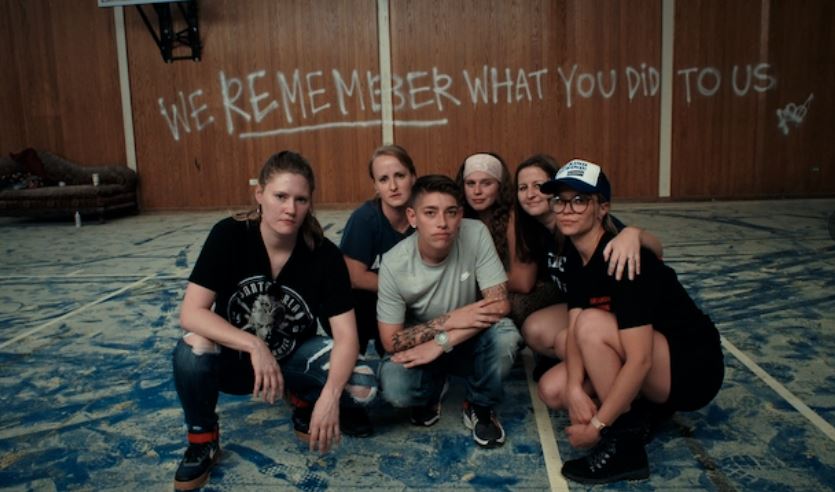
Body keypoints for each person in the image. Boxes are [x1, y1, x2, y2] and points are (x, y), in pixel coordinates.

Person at [171, 151, 377, 490]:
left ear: (310, 204)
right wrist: (254, 344)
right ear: (260, 195)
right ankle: (202, 439)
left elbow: (347, 338)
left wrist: (328, 397)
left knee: (363, 385)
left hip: (290, 358)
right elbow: (191, 313)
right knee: (193, 348)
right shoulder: (229, 235)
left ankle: (302, 397)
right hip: (236, 359)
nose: (290, 209)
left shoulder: (324, 255)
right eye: (280, 196)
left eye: (300, 199)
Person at [538, 159, 724, 484]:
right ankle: (646, 409)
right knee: (553, 390)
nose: (566, 209)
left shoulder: (623, 261)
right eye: (559, 200)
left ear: (602, 209)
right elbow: (575, 319)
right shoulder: (573, 252)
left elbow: (640, 360)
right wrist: (573, 388)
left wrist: (598, 427)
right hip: (652, 353)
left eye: (579, 200)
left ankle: (626, 447)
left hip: (692, 368)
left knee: (592, 327)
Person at [376, 174, 522, 448]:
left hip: (469, 337)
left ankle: (479, 404)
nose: (442, 223)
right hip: (424, 343)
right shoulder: (394, 263)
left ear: (460, 215)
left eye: (450, 212)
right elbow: (391, 340)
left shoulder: (475, 232)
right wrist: (449, 321)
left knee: (506, 336)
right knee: (395, 386)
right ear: (412, 217)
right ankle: (433, 387)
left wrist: (443, 342)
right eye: (430, 213)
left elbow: (500, 304)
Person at [513, 154, 663, 380]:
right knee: (535, 330)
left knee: (567, 342)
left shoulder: (584, 226)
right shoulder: (536, 230)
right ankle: (592, 373)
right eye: (522, 187)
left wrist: (634, 233)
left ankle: (623, 382)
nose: (530, 194)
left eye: (538, 186)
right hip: (583, 305)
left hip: (616, 313)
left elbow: (656, 252)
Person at [455, 152, 557, 327]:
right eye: (470, 183)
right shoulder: (458, 218)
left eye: (486, 183)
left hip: (536, 290)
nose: (477, 191)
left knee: (501, 307)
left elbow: (524, 282)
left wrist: (466, 283)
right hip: (490, 291)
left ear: (500, 187)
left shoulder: (513, 216)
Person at [339, 145, 416, 355]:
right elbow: (355, 277)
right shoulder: (365, 219)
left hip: (416, 299)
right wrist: (407, 290)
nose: (393, 186)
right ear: (375, 186)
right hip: (372, 301)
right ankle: (357, 353)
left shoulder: (425, 213)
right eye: (383, 179)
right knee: (354, 298)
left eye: (400, 175)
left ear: (413, 177)